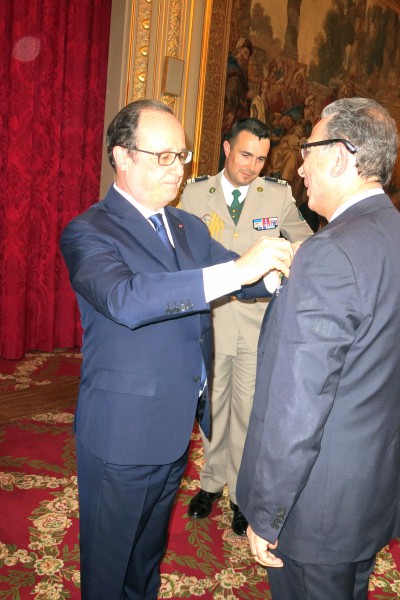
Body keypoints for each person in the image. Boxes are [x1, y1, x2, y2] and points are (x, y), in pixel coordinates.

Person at [60, 99, 294, 600]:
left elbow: (242, 274)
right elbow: (127, 298)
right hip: (120, 433)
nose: (177, 169)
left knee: (147, 556)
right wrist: (239, 271)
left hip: (173, 426)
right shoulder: (88, 231)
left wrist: (278, 274)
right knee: (108, 562)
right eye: (162, 156)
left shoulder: (185, 225)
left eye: (181, 155)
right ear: (122, 157)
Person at [237, 97, 400, 599]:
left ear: (339, 156)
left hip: (316, 507)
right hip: (368, 487)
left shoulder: (328, 255)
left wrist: (267, 512)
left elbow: (297, 406)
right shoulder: (390, 230)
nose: (299, 164)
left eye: (307, 150)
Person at [180, 118, 312, 536]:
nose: (252, 166)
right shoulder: (194, 192)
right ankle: (210, 484)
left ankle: (239, 493)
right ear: (226, 148)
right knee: (213, 411)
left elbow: (306, 241)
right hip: (210, 321)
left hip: (256, 326)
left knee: (248, 413)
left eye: (260, 158)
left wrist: (279, 267)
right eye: (245, 155)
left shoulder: (276, 195)